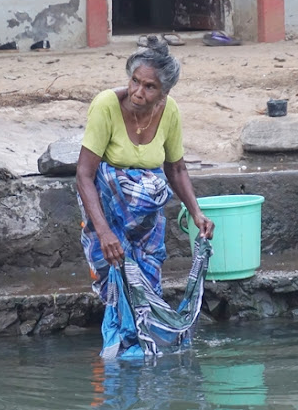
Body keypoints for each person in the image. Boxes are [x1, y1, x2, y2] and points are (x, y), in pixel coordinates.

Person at [76, 35, 215, 356]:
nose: (139, 92)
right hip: (108, 213)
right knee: (117, 278)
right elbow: (84, 175)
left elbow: (176, 169)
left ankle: (142, 346)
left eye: (150, 87)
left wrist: (196, 213)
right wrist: (104, 231)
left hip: (147, 222)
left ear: (164, 93)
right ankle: (120, 343)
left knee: (147, 283)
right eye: (135, 81)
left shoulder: (170, 112)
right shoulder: (106, 105)